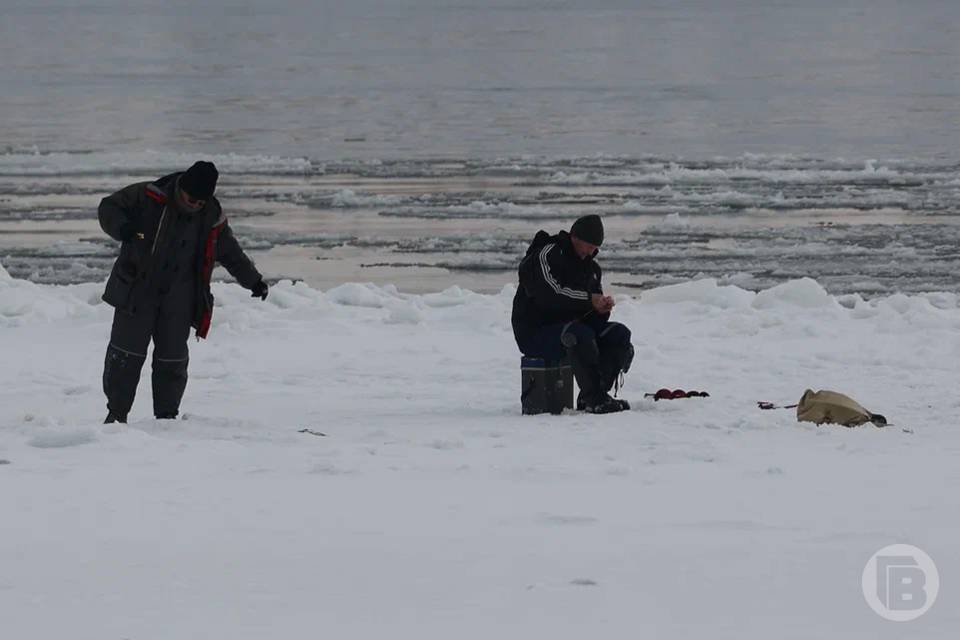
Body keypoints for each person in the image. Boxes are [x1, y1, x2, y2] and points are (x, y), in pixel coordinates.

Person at [98, 161, 269, 423]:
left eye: (201, 202)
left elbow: (232, 254)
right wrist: (123, 228)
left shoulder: (212, 216)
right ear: (182, 188)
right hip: (137, 291)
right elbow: (108, 207)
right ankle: (116, 414)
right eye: (191, 199)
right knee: (126, 355)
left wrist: (254, 281)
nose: (195, 205)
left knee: (172, 360)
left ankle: (167, 418)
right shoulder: (147, 195)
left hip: (180, 297)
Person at [512, 214, 634, 414]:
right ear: (574, 237)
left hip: (572, 332)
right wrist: (589, 299)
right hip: (535, 332)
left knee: (618, 334)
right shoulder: (547, 254)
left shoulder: (591, 269)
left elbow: (589, 314)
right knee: (578, 334)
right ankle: (595, 398)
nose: (591, 252)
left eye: (595, 248)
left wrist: (600, 308)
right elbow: (549, 295)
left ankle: (595, 395)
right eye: (588, 245)